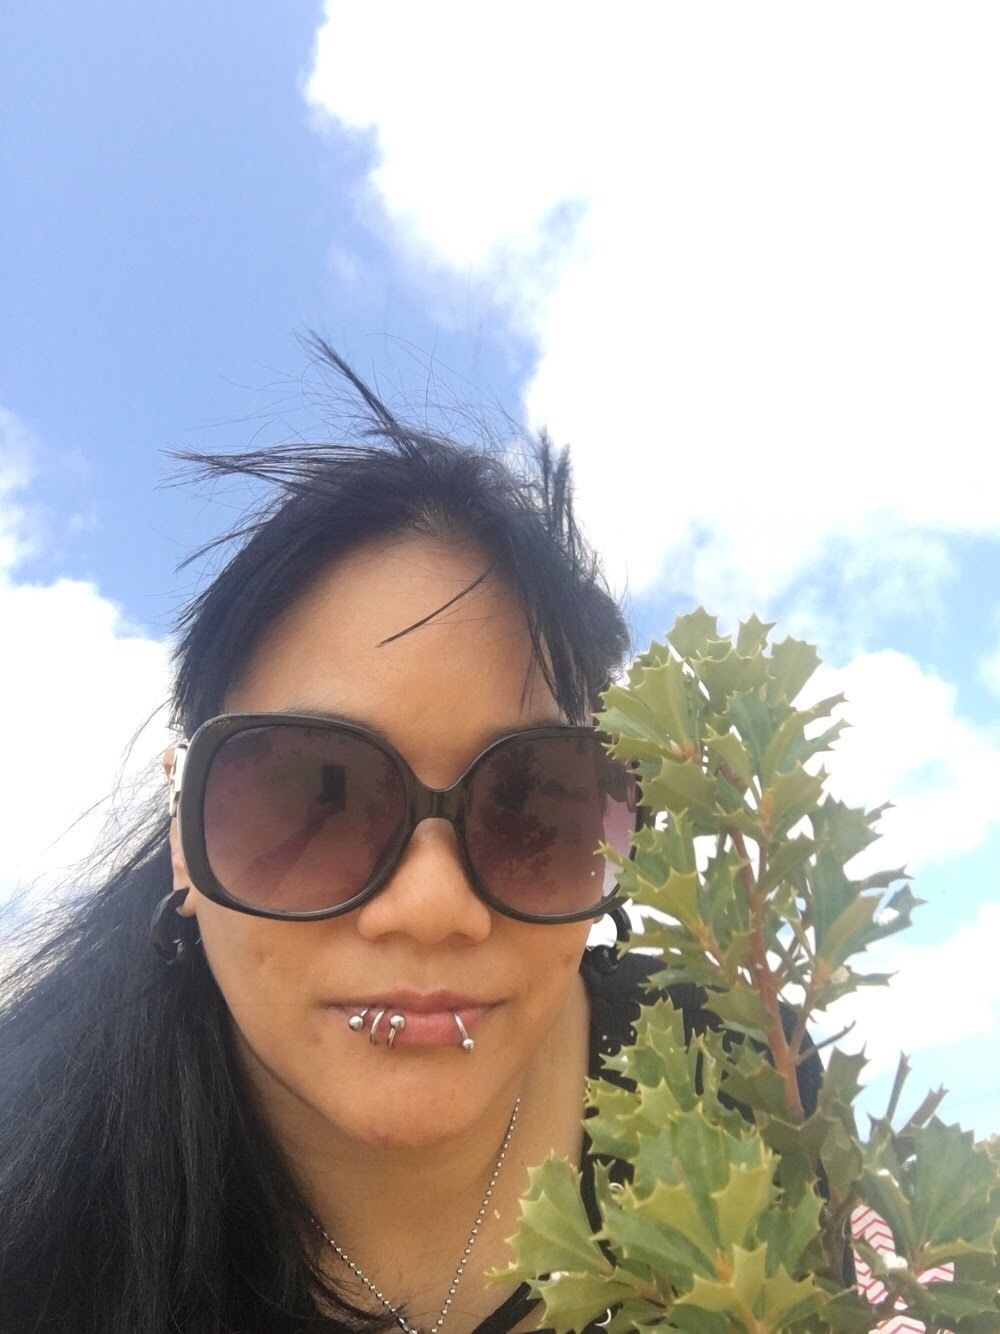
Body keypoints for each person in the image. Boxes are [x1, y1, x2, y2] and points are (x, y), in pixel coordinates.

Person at [0, 345, 818, 1334]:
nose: (434, 907)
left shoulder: (748, 1074)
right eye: (315, 794)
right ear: (183, 831)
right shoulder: (35, 1221)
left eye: (534, 804)